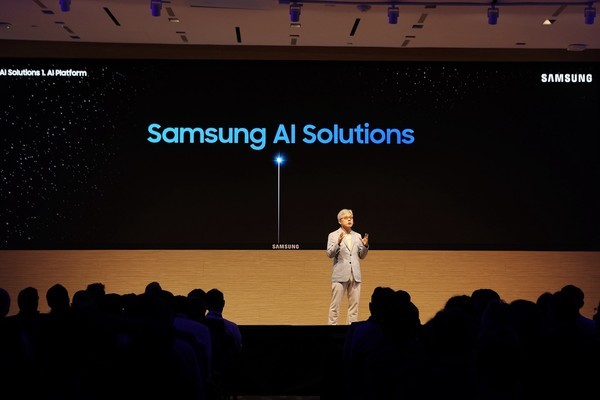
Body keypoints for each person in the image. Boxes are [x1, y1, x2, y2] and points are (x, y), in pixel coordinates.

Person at [326, 208, 369, 325]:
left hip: (355, 275)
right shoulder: (333, 235)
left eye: (351, 218)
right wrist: (338, 243)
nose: (349, 220)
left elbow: (362, 256)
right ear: (340, 221)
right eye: (346, 218)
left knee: (354, 308)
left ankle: (351, 330)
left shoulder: (357, 235)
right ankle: (331, 330)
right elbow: (329, 254)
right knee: (335, 306)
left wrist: (365, 246)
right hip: (340, 275)